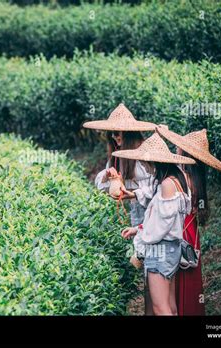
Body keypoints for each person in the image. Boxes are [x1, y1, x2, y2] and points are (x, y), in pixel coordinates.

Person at [83, 103, 157, 315]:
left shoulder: (144, 152)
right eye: (112, 134)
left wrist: (134, 193)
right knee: (145, 267)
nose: (115, 138)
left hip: (152, 213)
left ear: (130, 132)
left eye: (118, 133)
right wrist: (108, 177)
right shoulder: (118, 154)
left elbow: (159, 187)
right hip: (137, 212)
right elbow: (102, 183)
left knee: (151, 265)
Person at [115, 133, 196, 315]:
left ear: (153, 161)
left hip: (160, 250)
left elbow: (159, 228)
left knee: (160, 308)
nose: (142, 165)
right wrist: (138, 228)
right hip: (171, 248)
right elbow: (163, 220)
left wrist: (141, 241)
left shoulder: (167, 184)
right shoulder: (177, 178)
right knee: (170, 305)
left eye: (144, 161)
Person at [157, 126, 221, 316]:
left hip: (179, 229)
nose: (177, 150)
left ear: (185, 152)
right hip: (191, 231)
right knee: (190, 276)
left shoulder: (180, 178)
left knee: (176, 277)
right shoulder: (197, 178)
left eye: (180, 147)